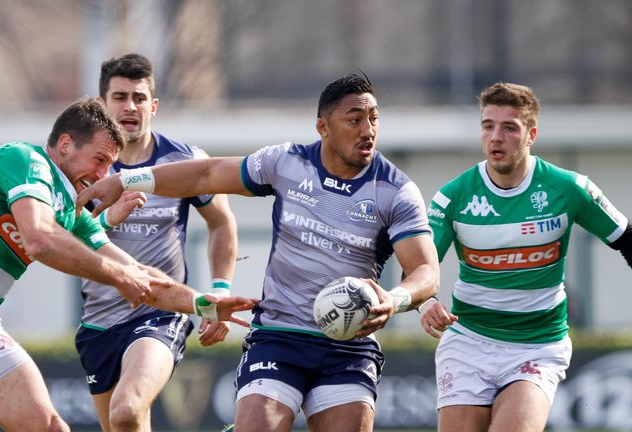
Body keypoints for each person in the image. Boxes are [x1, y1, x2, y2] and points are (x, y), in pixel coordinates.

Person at [77, 73, 440, 432]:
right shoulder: (287, 163)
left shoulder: (395, 190)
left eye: (374, 119)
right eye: (355, 119)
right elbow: (207, 174)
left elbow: (425, 270)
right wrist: (125, 179)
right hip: (279, 338)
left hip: (348, 347)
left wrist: (393, 300)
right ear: (323, 127)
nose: (368, 130)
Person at [0, 98, 256, 432]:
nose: (103, 175)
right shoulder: (22, 160)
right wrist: (118, 275)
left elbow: (141, 276)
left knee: (51, 428)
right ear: (64, 145)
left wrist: (201, 303)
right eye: (100, 160)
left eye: (111, 165)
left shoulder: (72, 212)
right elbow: (40, 240)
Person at [418, 82, 632, 432]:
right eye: (488, 126)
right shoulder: (453, 196)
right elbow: (423, 263)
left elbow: (629, 241)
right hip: (468, 342)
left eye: (509, 127)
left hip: (537, 346)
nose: (496, 137)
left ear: (531, 135)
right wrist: (425, 301)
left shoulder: (569, 189)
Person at [74, 53, 238, 432]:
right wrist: (106, 219)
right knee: (124, 425)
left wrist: (219, 289)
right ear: (101, 105)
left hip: (160, 313)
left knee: (127, 410)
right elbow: (61, 239)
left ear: (154, 105)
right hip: (99, 323)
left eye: (139, 97)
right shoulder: (83, 168)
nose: (130, 107)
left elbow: (221, 223)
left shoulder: (182, 160)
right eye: (119, 97)